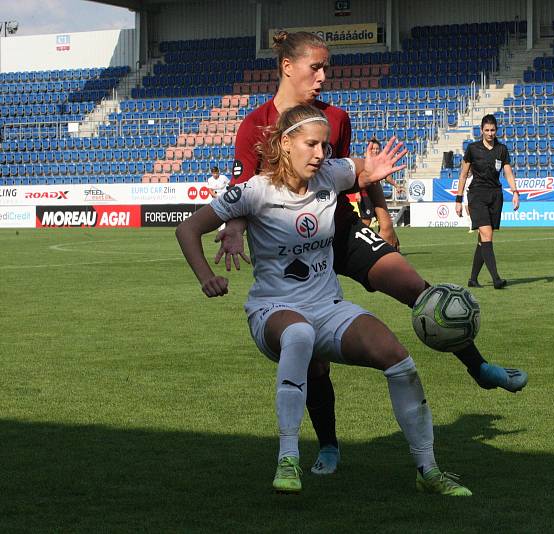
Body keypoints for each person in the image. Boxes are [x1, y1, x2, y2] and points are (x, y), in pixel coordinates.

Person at [218, 31, 528, 477]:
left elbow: (354, 173)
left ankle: (478, 367)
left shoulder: (336, 119)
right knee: (312, 356)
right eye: (316, 67)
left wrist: (382, 216)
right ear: (287, 67)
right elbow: (242, 190)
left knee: (420, 291)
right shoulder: (255, 125)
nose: (324, 77)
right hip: (288, 250)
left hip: (341, 230)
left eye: (327, 68)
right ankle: (328, 445)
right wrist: (233, 228)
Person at [176, 104, 472, 496]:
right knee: (298, 334)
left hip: (329, 307)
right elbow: (188, 229)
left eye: (325, 145)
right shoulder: (255, 191)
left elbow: (361, 168)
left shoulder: (329, 175)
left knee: (398, 359)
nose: (320, 154)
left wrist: (372, 174)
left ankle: (428, 470)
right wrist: (206, 277)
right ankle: (288, 458)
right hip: (273, 309)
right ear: (285, 144)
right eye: (311, 144)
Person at [455, 114, 520, 289]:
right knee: (487, 235)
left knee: (482, 239)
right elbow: (463, 175)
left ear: (496, 130)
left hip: (495, 196)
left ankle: (473, 279)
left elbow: (508, 172)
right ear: (481, 131)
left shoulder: (502, 149)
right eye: (487, 130)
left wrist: (515, 192)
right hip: (477, 195)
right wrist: (458, 199)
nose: (490, 133)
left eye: (493, 130)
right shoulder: (472, 148)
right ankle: (496, 279)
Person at [359, 138, 402, 228]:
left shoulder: (381, 162)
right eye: (373, 148)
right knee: (366, 221)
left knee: (383, 220)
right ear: (369, 150)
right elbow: (358, 177)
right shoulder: (365, 161)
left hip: (377, 195)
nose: (375, 150)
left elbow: (387, 177)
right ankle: (359, 239)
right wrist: (357, 193)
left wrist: (396, 186)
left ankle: (381, 240)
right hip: (366, 195)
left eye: (377, 148)